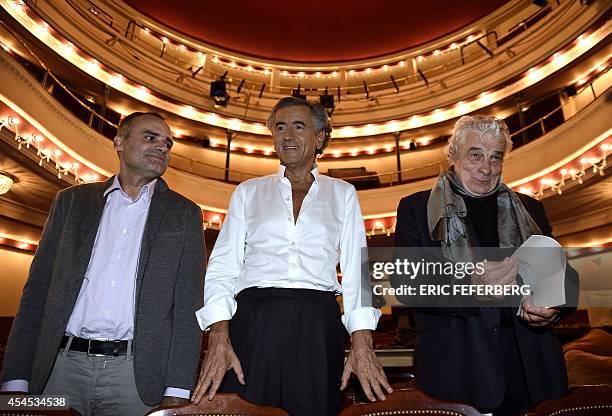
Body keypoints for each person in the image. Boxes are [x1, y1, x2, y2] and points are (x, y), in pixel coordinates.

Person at [192, 97, 392, 416]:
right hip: (254, 319)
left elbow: (357, 273)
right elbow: (222, 268)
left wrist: (362, 341)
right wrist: (218, 334)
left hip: (318, 320)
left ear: (320, 137)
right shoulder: (248, 191)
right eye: (280, 127)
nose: (287, 135)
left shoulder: (343, 194)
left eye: (298, 127)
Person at [0, 112, 205, 415]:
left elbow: (188, 307)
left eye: (168, 143)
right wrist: (15, 380)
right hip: (58, 371)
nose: (163, 147)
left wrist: (177, 390)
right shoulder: (71, 202)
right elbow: (37, 293)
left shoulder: (185, 214)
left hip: (137, 380)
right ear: (119, 141)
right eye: (151, 137)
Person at [393, 115, 580, 416]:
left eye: (496, 157)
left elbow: (565, 278)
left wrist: (553, 306)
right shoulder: (416, 208)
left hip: (531, 363)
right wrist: (471, 287)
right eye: (475, 154)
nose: (486, 168)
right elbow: (408, 283)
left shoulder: (531, 207)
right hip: (459, 365)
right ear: (453, 155)